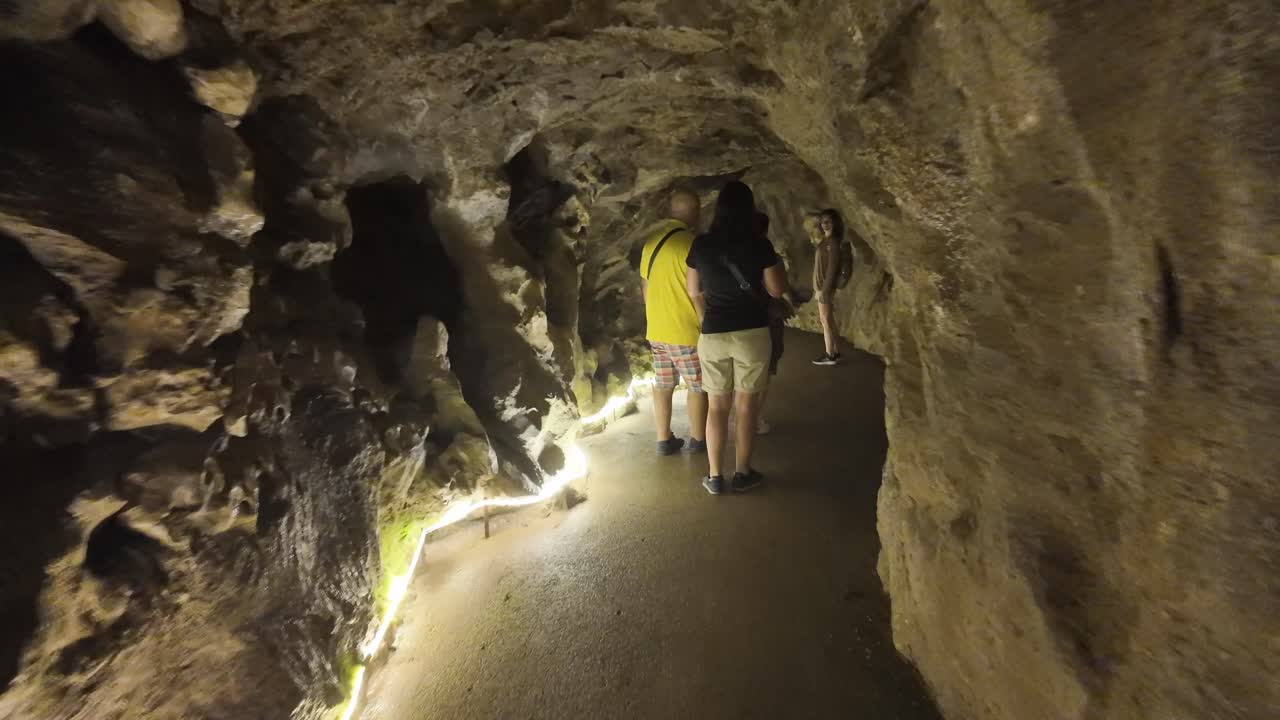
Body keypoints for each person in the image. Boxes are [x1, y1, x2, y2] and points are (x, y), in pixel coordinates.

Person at [685, 181, 792, 495]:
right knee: (746, 408)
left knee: (717, 407)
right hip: (752, 332)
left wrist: (708, 318)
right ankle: (743, 473)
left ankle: (715, 476)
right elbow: (776, 289)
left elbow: (694, 291)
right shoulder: (759, 243)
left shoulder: (702, 245)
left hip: (714, 332)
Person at [639, 189, 708, 455]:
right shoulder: (693, 245)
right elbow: (700, 289)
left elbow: (645, 288)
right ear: (694, 213)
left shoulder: (650, 244)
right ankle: (698, 439)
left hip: (657, 330)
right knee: (697, 386)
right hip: (685, 330)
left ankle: (664, 439)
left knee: (663, 384)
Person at [755, 212, 799, 435]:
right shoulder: (767, 254)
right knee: (766, 369)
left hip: (739, 320)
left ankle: (740, 416)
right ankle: (753, 418)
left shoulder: (730, 252)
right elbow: (778, 288)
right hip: (767, 319)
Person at [811, 209, 843, 365]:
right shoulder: (826, 241)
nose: (825, 224)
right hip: (821, 287)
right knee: (828, 319)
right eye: (823, 221)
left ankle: (829, 355)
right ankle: (835, 352)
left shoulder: (833, 242)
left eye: (829, 221)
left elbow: (832, 268)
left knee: (825, 321)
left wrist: (824, 290)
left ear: (835, 223)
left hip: (824, 287)